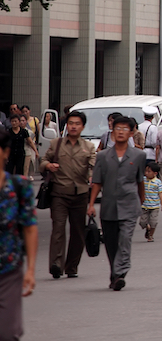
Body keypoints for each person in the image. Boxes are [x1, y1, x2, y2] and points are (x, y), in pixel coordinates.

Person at [88, 114, 145, 291]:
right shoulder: (103, 156)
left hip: (130, 204)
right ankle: (115, 273)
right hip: (109, 205)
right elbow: (97, 181)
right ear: (112, 131)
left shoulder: (139, 155)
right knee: (111, 243)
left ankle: (120, 272)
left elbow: (140, 181)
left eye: (125, 129)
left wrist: (141, 201)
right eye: (117, 128)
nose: (120, 132)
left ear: (131, 133)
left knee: (125, 239)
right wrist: (91, 204)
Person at [40, 110, 95, 279]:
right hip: (59, 193)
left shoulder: (89, 147)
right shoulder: (56, 143)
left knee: (78, 232)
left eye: (77, 124)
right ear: (66, 126)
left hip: (80, 194)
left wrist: (93, 175)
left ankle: (72, 266)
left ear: (83, 127)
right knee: (58, 228)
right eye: (71, 123)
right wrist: (48, 166)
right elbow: (43, 161)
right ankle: (56, 264)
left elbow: (94, 166)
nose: (74, 126)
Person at [0, 125, 38, 338]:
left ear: (5, 152)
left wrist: (30, 269)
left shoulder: (19, 186)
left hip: (8, 269)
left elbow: (30, 228)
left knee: (6, 333)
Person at [139, 162, 162, 242]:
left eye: (149, 171)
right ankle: (147, 228)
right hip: (144, 206)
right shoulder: (143, 180)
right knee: (142, 222)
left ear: (155, 173)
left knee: (153, 222)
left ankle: (150, 236)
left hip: (154, 206)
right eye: (146, 171)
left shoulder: (158, 182)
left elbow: (160, 193)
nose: (146, 173)